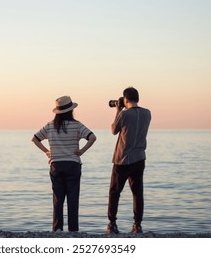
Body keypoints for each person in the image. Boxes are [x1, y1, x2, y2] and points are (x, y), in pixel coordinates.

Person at [32, 96, 96, 232]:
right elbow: (92, 137)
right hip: (73, 165)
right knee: (73, 200)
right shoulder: (77, 125)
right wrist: (82, 151)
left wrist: (47, 152)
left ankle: (57, 229)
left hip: (56, 165)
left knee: (58, 199)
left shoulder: (50, 126)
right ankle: (73, 230)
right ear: (71, 110)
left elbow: (35, 139)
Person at [106, 87, 151, 234]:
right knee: (137, 192)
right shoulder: (147, 113)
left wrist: (118, 110)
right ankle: (137, 225)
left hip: (122, 159)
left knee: (115, 191)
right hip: (139, 158)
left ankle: (112, 224)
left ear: (125, 100)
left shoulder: (124, 114)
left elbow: (114, 130)